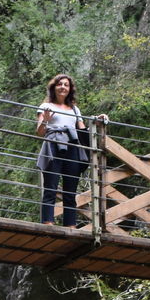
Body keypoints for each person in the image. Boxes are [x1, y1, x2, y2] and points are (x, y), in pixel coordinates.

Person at [35, 73, 89, 227]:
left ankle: (70, 225)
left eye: (66, 84)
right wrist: (45, 120)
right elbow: (40, 132)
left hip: (72, 147)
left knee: (70, 189)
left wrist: (97, 121)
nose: (63, 87)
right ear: (54, 87)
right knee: (51, 186)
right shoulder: (46, 106)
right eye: (60, 84)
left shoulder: (74, 109)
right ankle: (48, 222)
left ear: (70, 89)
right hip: (53, 145)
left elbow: (83, 130)